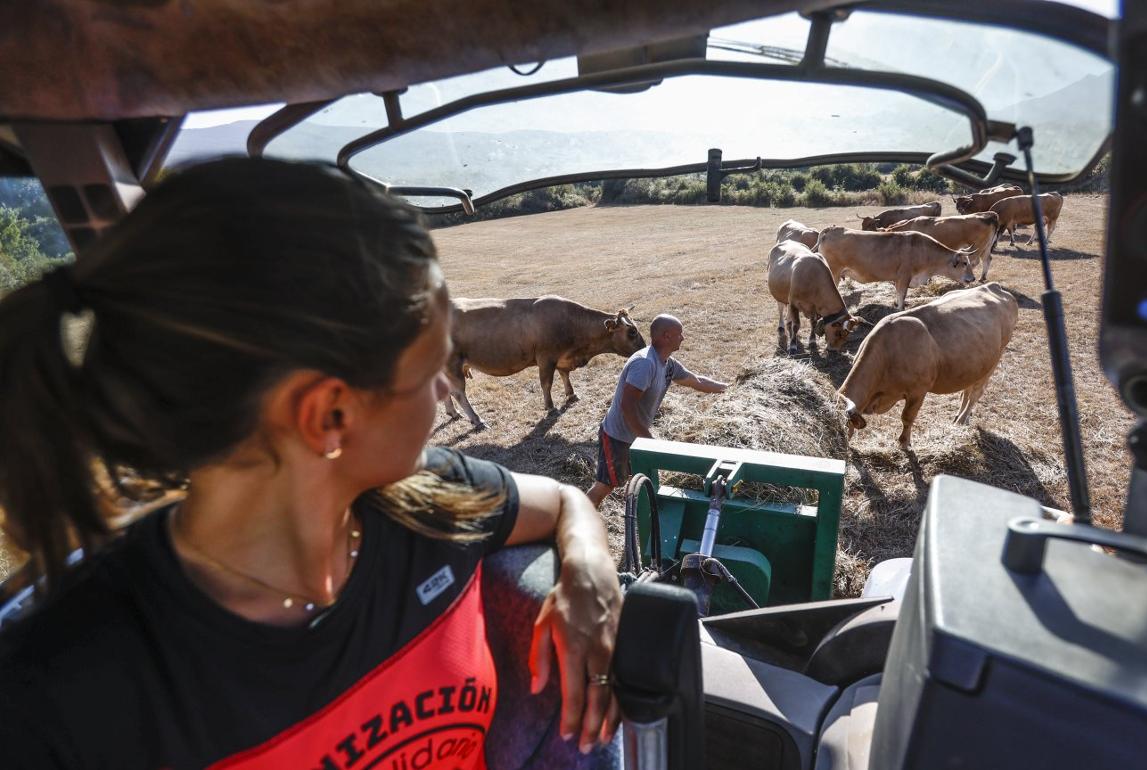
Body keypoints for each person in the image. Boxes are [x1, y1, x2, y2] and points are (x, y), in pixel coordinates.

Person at [0, 158, 622, 769]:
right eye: (430, 367)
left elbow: (565, 503)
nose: (442, 392)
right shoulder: (66, 696)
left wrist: (592, 568)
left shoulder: (434, 497)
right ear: (328, 416)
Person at [587, 314, 728, 507]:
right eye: (680, 334)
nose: (683, 338)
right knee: (605, 486)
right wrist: (647, 441)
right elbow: (627, 407)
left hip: (635, 436)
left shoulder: (667, 364)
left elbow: (697, 381)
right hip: (617, 437)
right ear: (666, 336)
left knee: (637, 481)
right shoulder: (645, 364)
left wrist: (730, 388)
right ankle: (577, 520)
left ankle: (636, 515)